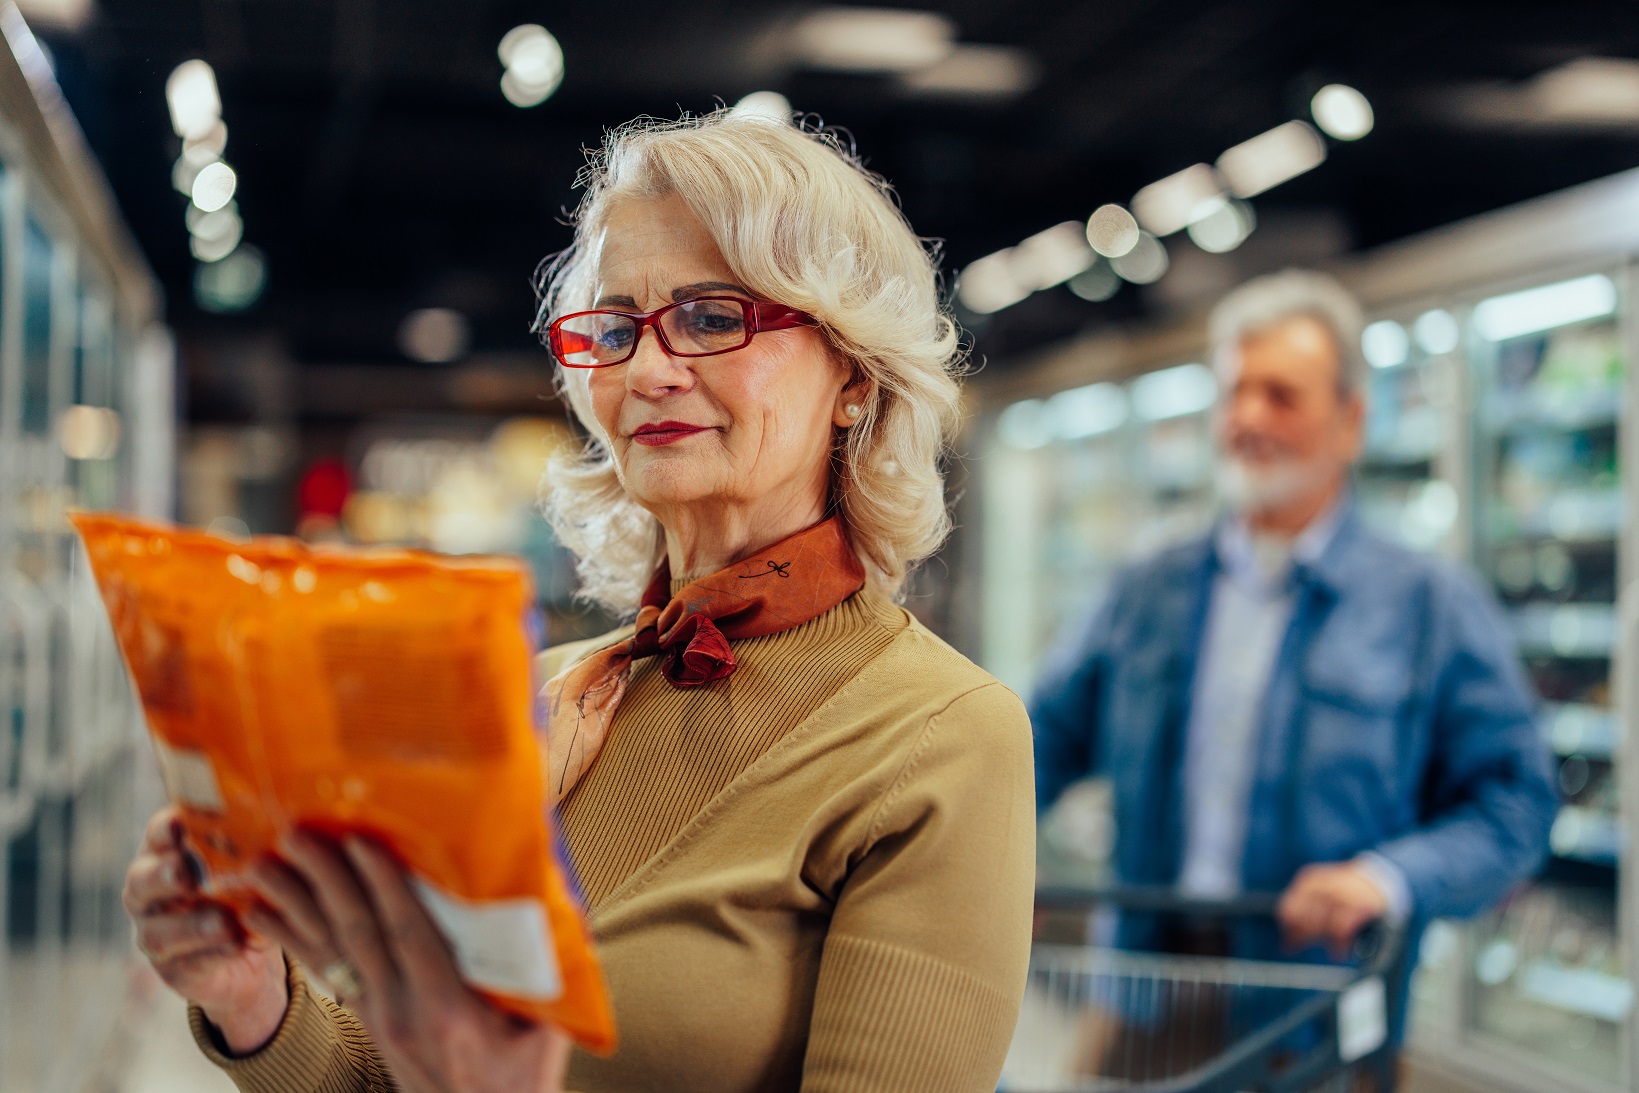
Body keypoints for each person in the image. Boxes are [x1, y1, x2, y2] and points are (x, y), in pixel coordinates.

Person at [121, 112, 1037, 1093]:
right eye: (615, 327)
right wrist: (255, 1000)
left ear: (853, 374)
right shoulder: (541, 697)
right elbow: (385, 1076)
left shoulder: (940, 735)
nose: (645, 370)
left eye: (713, 316)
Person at [1032, 269, 1557, 1004]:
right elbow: (1037, 741)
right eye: (1233, 392)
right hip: (1143, 991)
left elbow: (1516, 805)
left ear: (1350, 421)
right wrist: (992, 850)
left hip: (1312, 1016)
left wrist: (1386, 878)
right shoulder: (1146, 589)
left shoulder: (1427, 604)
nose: (1247, 416)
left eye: (1280, 394)